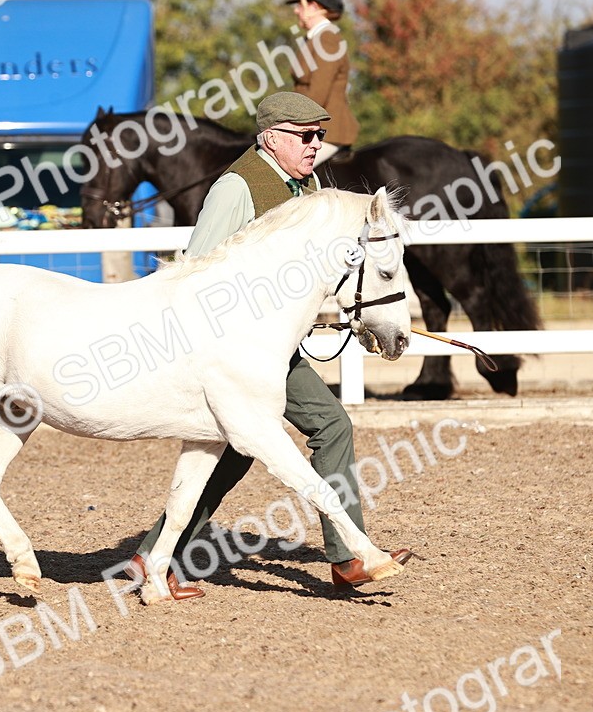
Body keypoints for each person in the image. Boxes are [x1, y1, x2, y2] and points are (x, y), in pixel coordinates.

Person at [125, 92, 411, 600]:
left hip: (271, 349)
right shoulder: (236, 188)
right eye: (305, 136)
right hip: (231, 352)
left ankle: (154, 555)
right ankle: (347, 557)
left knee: (250, 447)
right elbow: (197, 270)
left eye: (319, 135)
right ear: (271, 138)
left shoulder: (309, 186)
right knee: (319, 427)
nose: (315, 144)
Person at [286, 0, 360, 167]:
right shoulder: (314, 39)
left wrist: (286, 123)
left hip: (327, 131)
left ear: (313, 6)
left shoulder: (327, 39)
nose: (296, 10)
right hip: (311, 127)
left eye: (299, 5)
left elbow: (318, 94)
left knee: (287, 169)